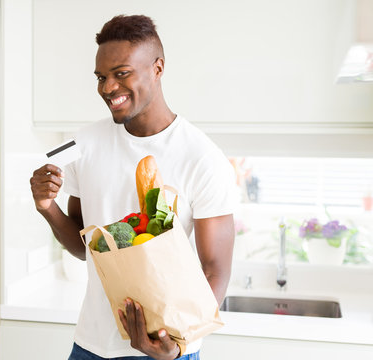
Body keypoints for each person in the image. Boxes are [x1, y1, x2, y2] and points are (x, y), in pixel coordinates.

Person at [30, 14, 237, 360]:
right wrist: (47, 207)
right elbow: (84, 248)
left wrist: (177, 343)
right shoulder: (85, 143)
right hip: (91, 346)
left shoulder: (202, 157)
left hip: (167, 352)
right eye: (101, 77)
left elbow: (215, 270)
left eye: (121, 73)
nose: (107, 88)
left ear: (158, 68)